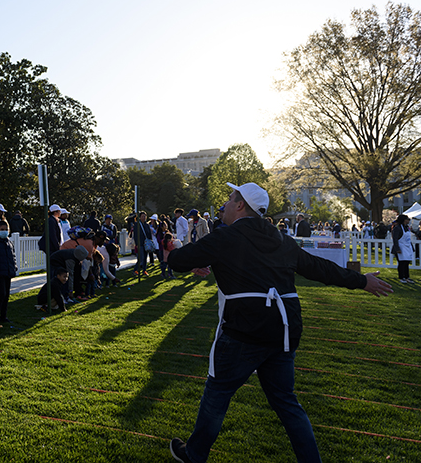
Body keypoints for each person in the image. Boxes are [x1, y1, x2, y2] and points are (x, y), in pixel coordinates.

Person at [167, 182, 392, 463]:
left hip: (244, 329)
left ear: (240, 205)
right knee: (287, 403)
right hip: (284, 330)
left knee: (218, 393)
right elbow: (318, 268)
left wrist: (180, 255)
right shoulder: (279, 238)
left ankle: (195, 454)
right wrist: (361, 281)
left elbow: (178, 260)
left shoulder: (226, 237)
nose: (224, 204)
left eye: (229, 198)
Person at [36, 246, 89, 311]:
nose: (65, 278)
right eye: (64, 277)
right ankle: (64, 296)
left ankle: (65, 296)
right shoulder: (70, 259)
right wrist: (71, 290)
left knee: (63, 282)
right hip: (54, 262)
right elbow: (70, 275)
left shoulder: (74, 255)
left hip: (60, 263)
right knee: (59, 285)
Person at [392, 214, 414, 283]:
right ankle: (402, 277)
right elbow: (395, 239)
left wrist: (412, 248)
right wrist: (397, 249)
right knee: (401, 263)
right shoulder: (397, 228)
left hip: (407, 247)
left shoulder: (407, 227)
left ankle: (407, 277)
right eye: (407, 219)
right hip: (400, 248)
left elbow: (408, 239)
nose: (408, 220)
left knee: (406, 263)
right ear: (403, 220)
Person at [133, 211, 153, 276]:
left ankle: (144, 270)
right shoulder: (137, 224)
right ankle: (135, 270)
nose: (144, 218)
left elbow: (149, 233)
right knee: (141, 258)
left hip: (146, 243)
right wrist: (137, 243)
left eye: (144, 216)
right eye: (142, 216)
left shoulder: (147, 225)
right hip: (140, 243)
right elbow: (135, 234)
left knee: (145, 257)